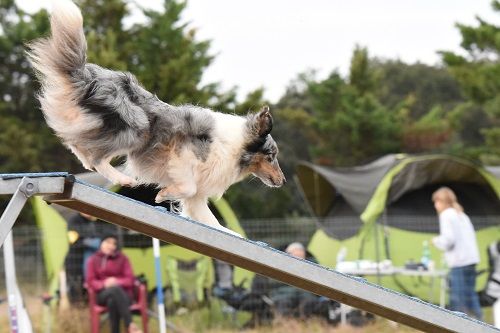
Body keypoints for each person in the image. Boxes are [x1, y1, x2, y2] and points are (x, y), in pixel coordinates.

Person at [431, 187, 482, 319]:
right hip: (471, 259)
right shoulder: (461, 214)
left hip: (459, 261)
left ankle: (456, 325)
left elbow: (449, 240)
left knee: (458, 298)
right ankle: (481, 324)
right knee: (471, 295)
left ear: (441, 201)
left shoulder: (446, 215)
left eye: (435, 202)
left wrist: (436, 241)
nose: (435, 206)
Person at [85, 234, 143, 333]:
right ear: (101, 243)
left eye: (114, 243)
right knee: (113, 291)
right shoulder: (93, 260)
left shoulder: (123, 259)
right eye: (108, 242)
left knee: (112, 301)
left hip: (124, 296)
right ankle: (130, 324)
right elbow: (90, 281)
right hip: (102, 295)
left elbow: (130, 279)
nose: (111, 246)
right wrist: (104, 284)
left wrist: (117, 282)